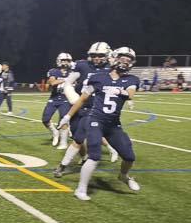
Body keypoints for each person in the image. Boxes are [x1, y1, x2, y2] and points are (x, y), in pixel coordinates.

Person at [57, 47, 141, 200]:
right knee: (94, 154)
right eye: (123, 58)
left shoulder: (131, 79)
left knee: (129, 157)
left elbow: (130, 93)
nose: (125, 62)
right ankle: (81, 190)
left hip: (113, 124)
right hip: (95, 120)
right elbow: (82, 99)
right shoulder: (98, 77)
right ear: (114, 58)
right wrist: (68, 116)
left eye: (128, 60)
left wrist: (121, 92)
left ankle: (124, 176)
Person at [54, 42, 119, 177]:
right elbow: (68, 83)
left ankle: (62, 166)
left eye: (100, 55)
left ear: (106, 55)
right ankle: (91, 155)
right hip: (79, 104)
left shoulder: (110, 69)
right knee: (77, 135)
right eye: (94, 55)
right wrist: (73, 98)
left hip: (95, 108)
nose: (96, 58)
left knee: (78, 139)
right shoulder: (83, 65)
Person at [42, 53, 72, 149]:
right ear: (59, 61)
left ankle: (63, 142)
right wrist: (66, 79)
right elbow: (52, 82)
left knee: (63, 121)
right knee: (45, 119)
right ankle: (55, 132)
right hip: (54, 98)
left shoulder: (73, 72)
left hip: (66, 99)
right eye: (63, 60)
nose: (65, 62)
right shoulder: (53, 71)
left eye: (67, 61)